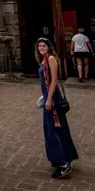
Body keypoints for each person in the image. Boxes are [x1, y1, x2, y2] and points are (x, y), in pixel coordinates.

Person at [36, 37, 78, 178]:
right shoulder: (43, 60)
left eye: (44, 45)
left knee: (52, 130)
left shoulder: (51, 59)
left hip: (53, 99)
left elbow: (54, 80)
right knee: (58, 128)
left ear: (49, 47)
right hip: (49, 96)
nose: (41, 48)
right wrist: (44, 96)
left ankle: (63, 164)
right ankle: (65, 157)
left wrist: (48, 99)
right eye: (39, 46)